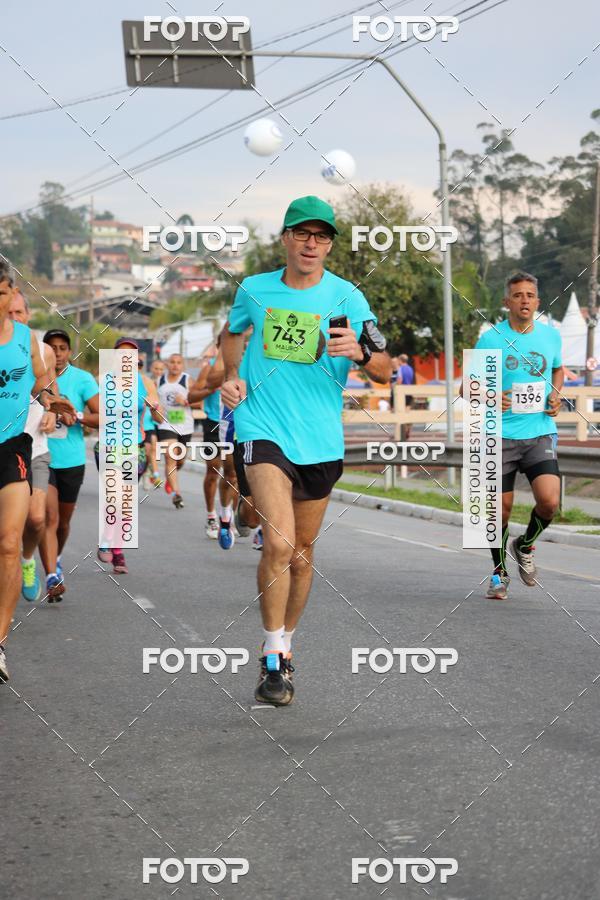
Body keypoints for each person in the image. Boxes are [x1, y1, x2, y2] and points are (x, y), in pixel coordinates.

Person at [220, 196, 391, 705]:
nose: (311, 243)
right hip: (262, 426)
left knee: (300, 553)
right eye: (302, 233)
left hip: (319, 439)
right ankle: (272, 656)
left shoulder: (349, 298)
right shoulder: (255, 289)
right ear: (286, 239)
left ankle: (286, 643)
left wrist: (360, 353)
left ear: (330, 245)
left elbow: (385, 368)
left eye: (321, 236)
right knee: (278, 543)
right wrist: (231, 375)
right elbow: (231, 334)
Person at [0, 268, 75, 682]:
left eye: (3, 293)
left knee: (11, 540)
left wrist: (53, 402)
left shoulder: (28, 341)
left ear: (12, 292)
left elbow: (42, 386)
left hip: (12, 447)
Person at [474, 271, 562, 600]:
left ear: (537, 302)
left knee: (550, 502)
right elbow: (466, 386)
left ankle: (524, 545)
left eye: (529, 295)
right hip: (498, 435)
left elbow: (557, 369)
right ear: (506, 302)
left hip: (540, 432)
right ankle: (499, 574)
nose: (524, 300)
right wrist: (490, 396)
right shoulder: (491, 339)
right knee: (500, 511)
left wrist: (556, 393)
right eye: (517, 295)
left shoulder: (551, 336)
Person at [40, 329, 100, 601]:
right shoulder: (35, 377)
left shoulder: (82, 379)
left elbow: (103, 416)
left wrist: (75, 415)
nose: (58, 353)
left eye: (62, 348)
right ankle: (52, 575)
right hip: (41, 457)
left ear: (69, 351)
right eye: (52, 348)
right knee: (48, 517)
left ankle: (56, 557)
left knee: (62, 524)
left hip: (72, 461)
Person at [96, 337, 162, 574]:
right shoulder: (102, 381)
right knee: (114, 498)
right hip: (108, 446)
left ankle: (117, 549)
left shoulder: (145, 382)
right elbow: (93, 412)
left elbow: (159, 418)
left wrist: (155, 408)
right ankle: (110, 542)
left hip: (135, 447)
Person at [8, 290, 57, 602]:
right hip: (5, 447)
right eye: (8, 312)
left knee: (37, 518)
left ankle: (27, 560)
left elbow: (48, 389)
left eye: (19, 313)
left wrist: (52, 411)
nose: (13, 318)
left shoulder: (42, 350)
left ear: (28, 315)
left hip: (35, 447)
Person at [156, 353, 195, 509]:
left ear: (182, 365)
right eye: (172, 362)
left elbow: (199, 400)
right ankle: (176, 494)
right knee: (170, 457)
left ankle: (170, 478)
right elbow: (154, 400)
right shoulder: (159, 381)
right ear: (167, 364)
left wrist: (185, 401)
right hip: (166, 424)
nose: (175, 365)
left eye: (178, 362)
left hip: (185, 425)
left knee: (180, 460)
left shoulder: (187, 380)